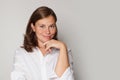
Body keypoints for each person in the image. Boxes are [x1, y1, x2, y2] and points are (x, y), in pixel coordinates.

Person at [11, 6, 74, 80]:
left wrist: (62, 46)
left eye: (51, 26)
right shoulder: (21, 53)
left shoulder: (64, 51)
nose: (47, 32)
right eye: (42, 26)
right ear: (33, 27)